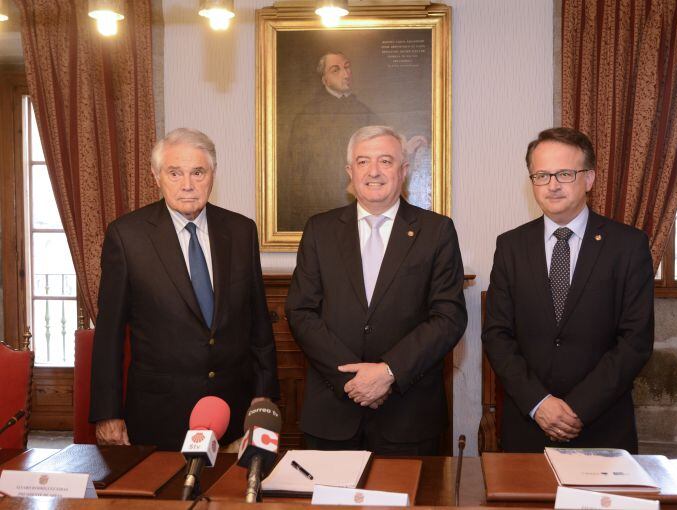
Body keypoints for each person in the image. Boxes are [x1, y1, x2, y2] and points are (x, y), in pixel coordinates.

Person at [89, 128, 280, 451]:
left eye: (198, 172)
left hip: (231, 412)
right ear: (156, 176)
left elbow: (259, 324)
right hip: (158, 415)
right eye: (175, 173)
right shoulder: (127, 236)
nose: (187, 184)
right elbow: (109, 334)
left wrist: (264, 397)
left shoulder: (241, 231)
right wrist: (108, 413)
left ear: (213, 175)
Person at [285, 125, 466, 455]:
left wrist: (388, 372)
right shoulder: (319, 230)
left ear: (404, 170)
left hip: (408, 414)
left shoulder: (436, 231)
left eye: (385, 161)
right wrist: (354, 381)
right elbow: (301, 312)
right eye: (363, 161)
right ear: (349, 172)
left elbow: (448, 317)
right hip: (332, 411)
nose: (374, 172)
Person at [482, 127, 653, 453]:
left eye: (564, 173)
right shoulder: (511, 246)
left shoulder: (628, 245)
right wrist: (540, 403)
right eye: (541, 175)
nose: (553, 185)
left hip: (602, 427)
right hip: (528, 426)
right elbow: (497, 335)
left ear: (588, 179)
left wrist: (578, 409)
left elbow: (635, 341)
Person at [282, 52, 427, 231]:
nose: (346, 74)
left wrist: (407, 149)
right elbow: (297, 174)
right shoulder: (306, 118)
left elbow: (387, 140)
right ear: (324, 79)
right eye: (336, 70)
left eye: (347, 67)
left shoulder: (361, 109)